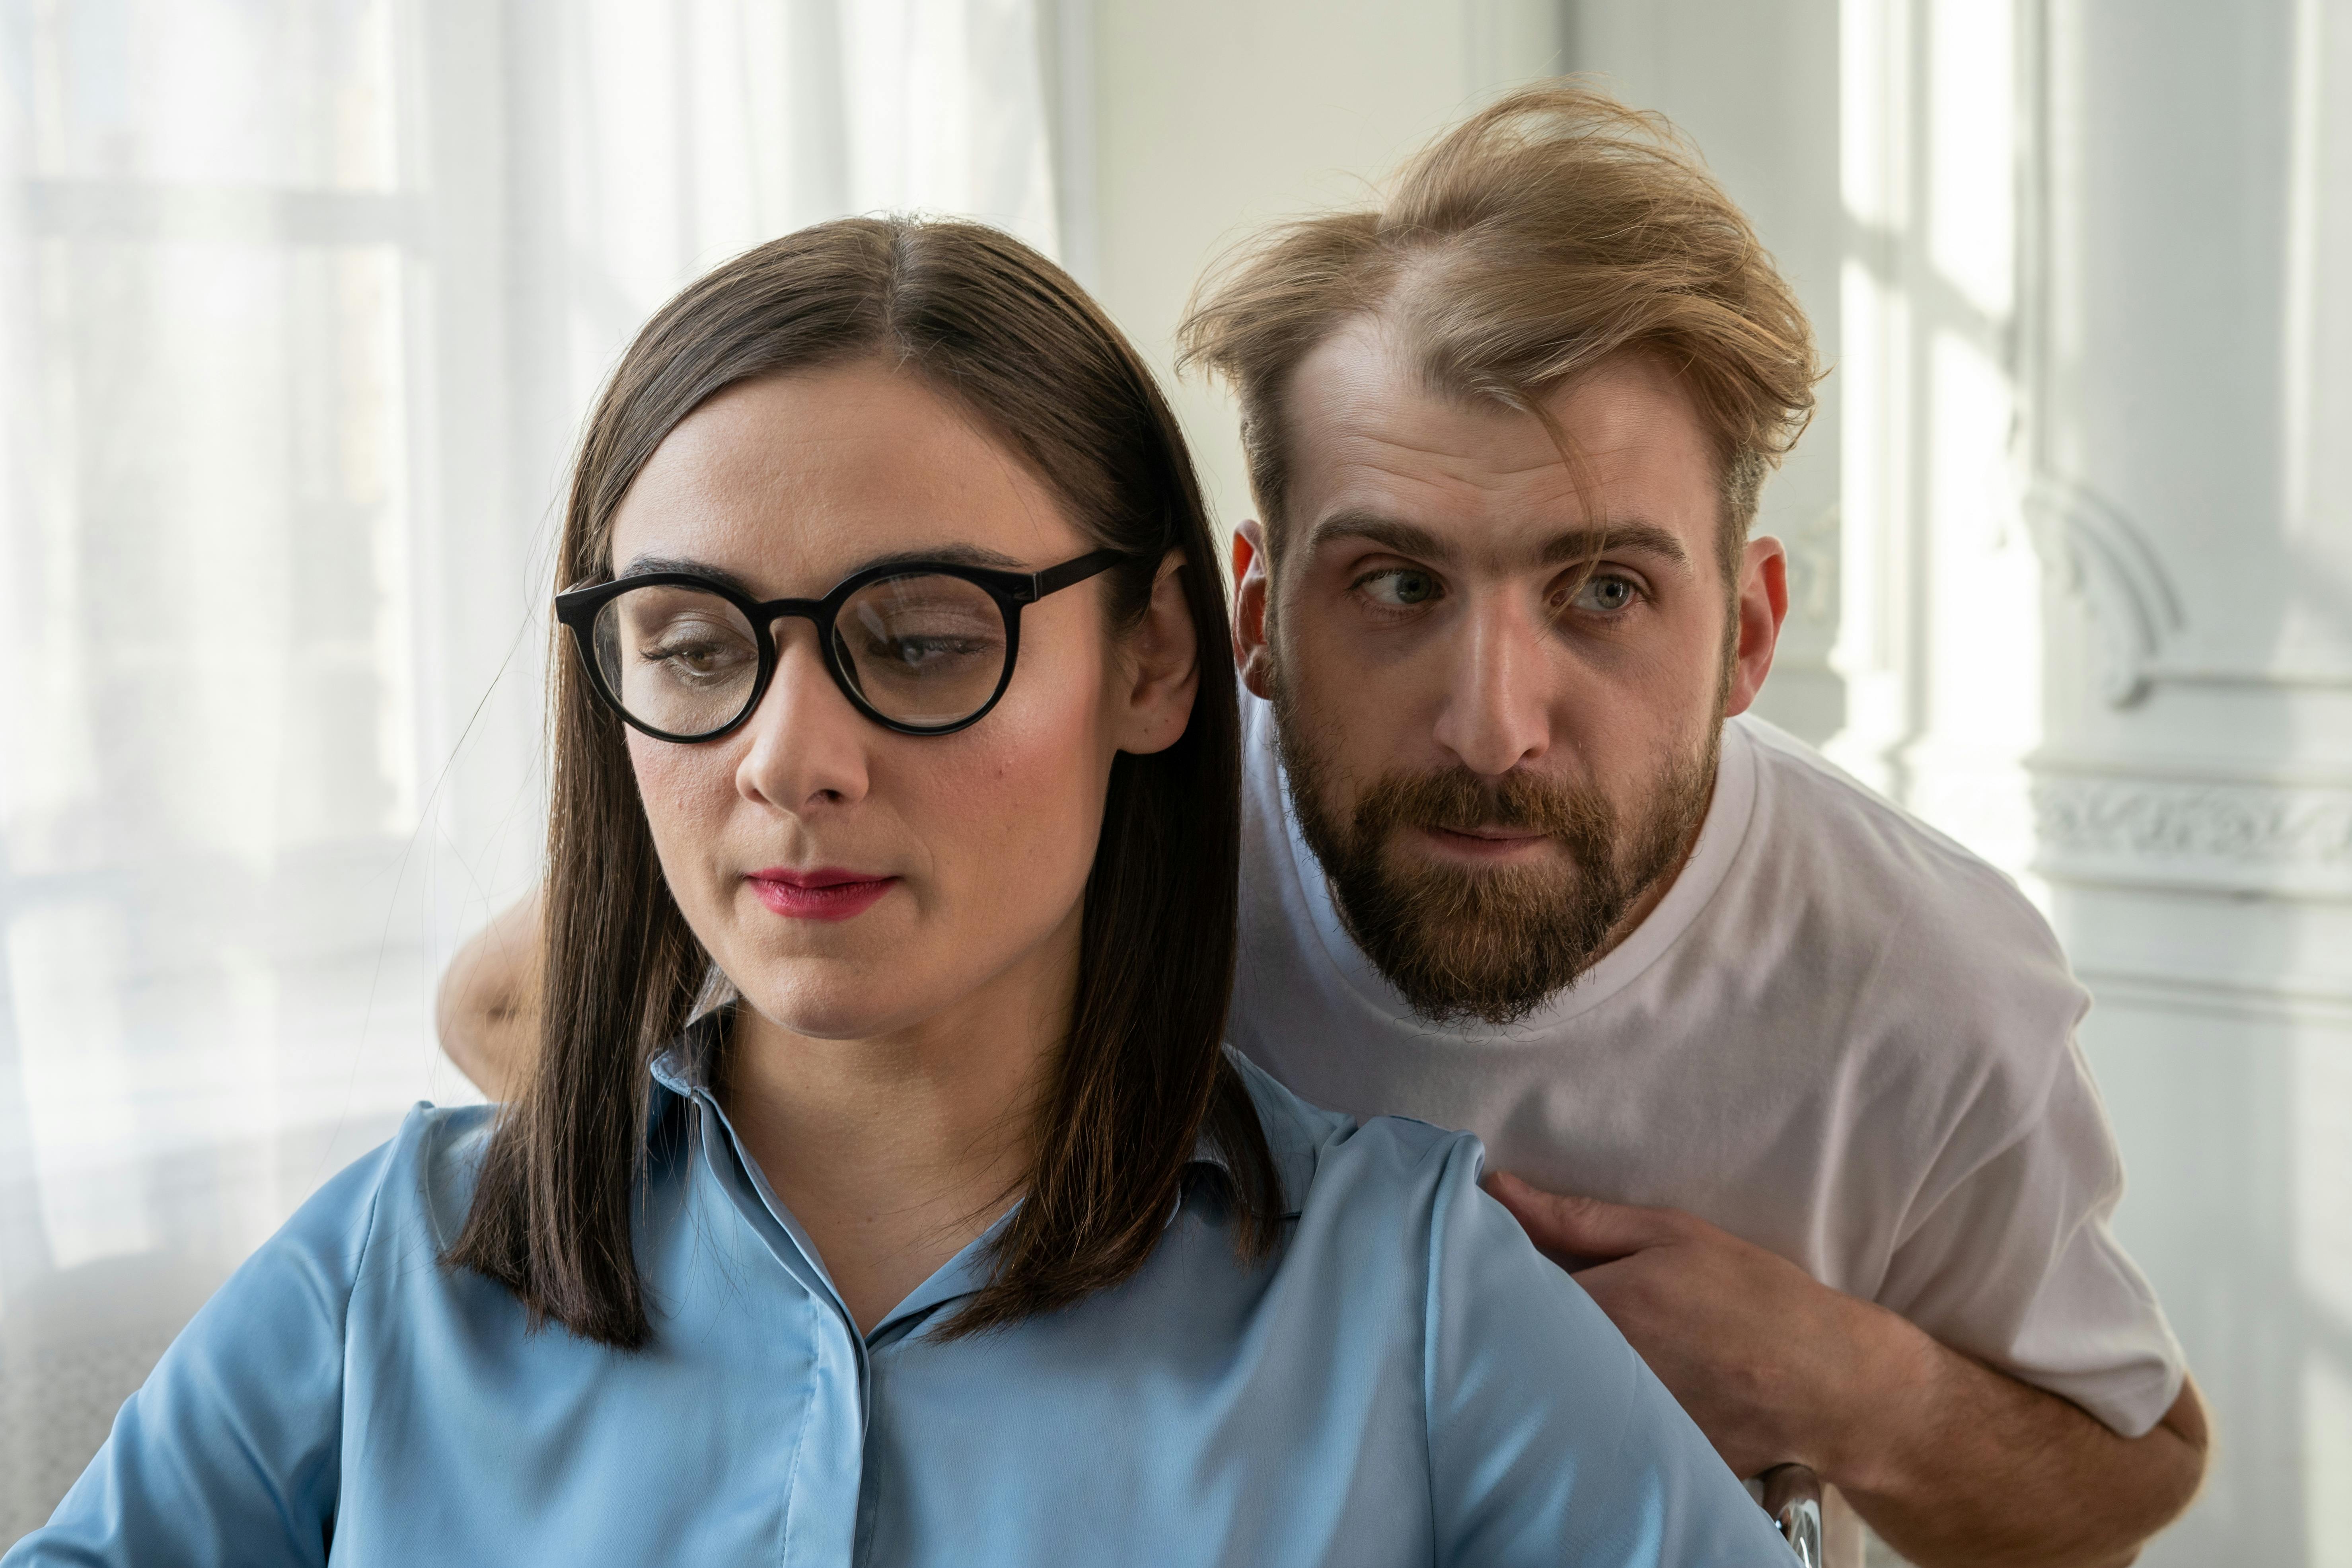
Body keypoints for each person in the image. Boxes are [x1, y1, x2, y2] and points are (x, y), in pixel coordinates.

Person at [437, 87, 2210, 1568]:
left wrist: (1838, 1381)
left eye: (1600, 588)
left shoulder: (1918, 978)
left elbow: (2125, 1472)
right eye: (1394, 583)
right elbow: (530, 1014)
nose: (1489, 720)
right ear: (1249, 618)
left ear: (1746, 630)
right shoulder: (1081, 823)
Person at [6, 216, 1791, 1567]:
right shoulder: (384, 1267)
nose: (790, 756)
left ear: (1157, 655)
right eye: (694, 645)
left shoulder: (1409, 1302)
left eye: (920, 639)